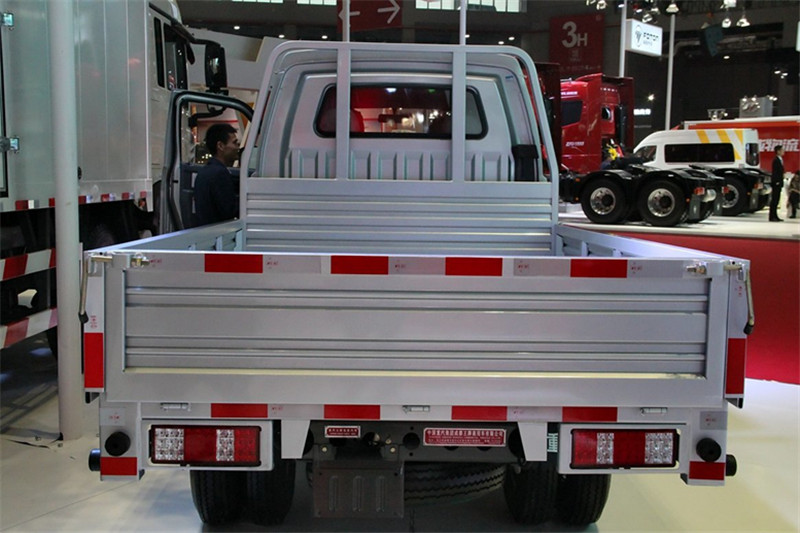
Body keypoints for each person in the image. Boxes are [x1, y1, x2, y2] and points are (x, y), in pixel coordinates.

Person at [194, 123, 240, 226]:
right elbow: (229, 211)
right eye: (234, 143)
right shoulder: (220, 174)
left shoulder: (205, 172)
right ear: (220, 146)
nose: (237, 147)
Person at [769, 145, 785, 222]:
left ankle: (775, 216)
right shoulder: (776, 160)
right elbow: (775, 172)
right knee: (774, 200)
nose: (783, 151)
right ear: (778, 151)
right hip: (776, 182)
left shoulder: (780, 159)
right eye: (782, 150)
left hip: (779, 182)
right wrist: (777, 181)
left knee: (777, 199)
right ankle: (772, 216)